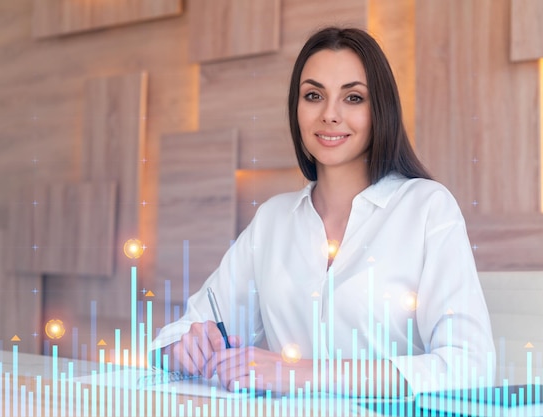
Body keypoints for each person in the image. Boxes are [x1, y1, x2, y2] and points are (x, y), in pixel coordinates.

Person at [152, 26, 495, 397]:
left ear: (380, 109)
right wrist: (182, 349)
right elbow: (187, 329)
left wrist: (298, 373)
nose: (329, 115)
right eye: (313, 95)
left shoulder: (427, 207)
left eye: (353, 98)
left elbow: (469, 366)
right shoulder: (273, 220)